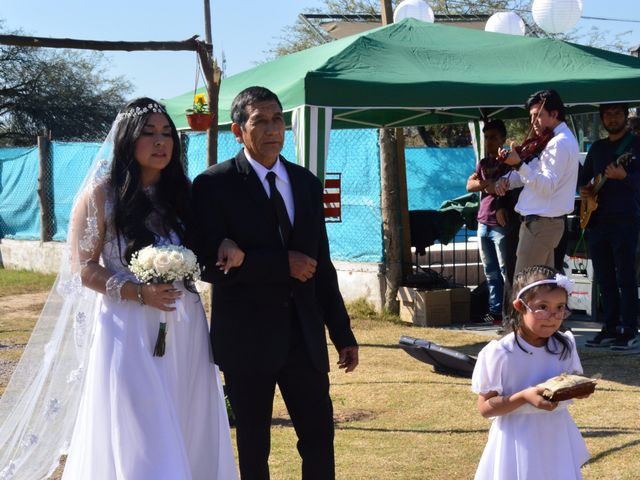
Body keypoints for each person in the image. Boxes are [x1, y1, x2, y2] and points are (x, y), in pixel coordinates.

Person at [0, 98, 239, 479]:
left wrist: (224, 243)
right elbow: (82, 268)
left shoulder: (181, 194)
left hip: (184, 323)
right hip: (127, 325)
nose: (161, 143)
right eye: (149, 134)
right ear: (128, 140)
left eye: (167, 134)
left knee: (186, 413)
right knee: (141, 423)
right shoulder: (101, 194)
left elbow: (205, 243)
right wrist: (138, 293)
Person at [192, 86, 359, 480]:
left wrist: (342, 333)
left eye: (278, 119)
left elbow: (323, 265)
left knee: (319, 440)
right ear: (237, 131)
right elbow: (207, 266)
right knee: (253, 447)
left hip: (304, 337)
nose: (272, 129)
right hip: (247, 341)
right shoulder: (213, 185)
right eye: (260, 121)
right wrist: (279, 264)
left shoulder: (305, 183)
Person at [472, 265, 590, 480]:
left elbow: (571, 382)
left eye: (560, 307)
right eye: (542, 306)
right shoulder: (500, 353)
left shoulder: (564, 346)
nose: (552, 316)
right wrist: (523, 396)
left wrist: (578, 390)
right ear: (520, 306)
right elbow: (485, 408)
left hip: (556, 434)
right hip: (517, 437)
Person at [496, 89, 580, 274]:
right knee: (540, 290)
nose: (533, 122)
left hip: (542, 224)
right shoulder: (552, 141)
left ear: (554, 114)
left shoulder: (559, 143)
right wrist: (507, 181)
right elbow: (533, 171)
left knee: (526, 288)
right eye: (531, 116)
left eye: (538, 115)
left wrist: (518, 164)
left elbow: (546, 187)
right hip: (542, 224)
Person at [579, 103, 640, 350]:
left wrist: (624, 177)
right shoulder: (598, 148)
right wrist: (585, 190)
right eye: (607, 114)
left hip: (625, 220)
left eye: (617, 114)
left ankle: (629, 328)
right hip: (597, 220)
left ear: (626, 116)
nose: (612, 119)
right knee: (604, 278)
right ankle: (610, 326)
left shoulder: (635, 146)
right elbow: (585, 181)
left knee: (625, 276)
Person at [466, 119, 511, 325]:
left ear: (503, 138)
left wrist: (485, 186)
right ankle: (495, 313)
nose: (489, 141)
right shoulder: (483, 163)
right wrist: (486, 184)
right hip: (482, 222)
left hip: (500, 223)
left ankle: (510, 311)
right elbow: (469, 185)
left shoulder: (508, 162)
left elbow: (502, 187)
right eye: (486, 137)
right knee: (490, 271)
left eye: (493, 137)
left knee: (505, 270)